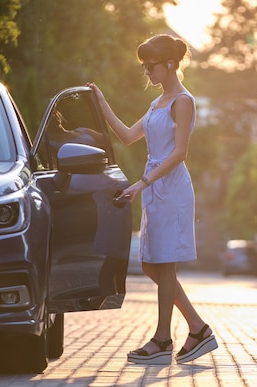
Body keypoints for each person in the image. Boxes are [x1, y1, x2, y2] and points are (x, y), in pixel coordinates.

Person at [87, 34, 218, 365]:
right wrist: (101, 103)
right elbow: (129, 137)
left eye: (151, 66)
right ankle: (198, 328)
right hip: (154, 190)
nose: (147, 72)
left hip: (171, 189)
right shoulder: (156, 103)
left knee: (163, 263)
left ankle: (162, 340)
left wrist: (142, 183)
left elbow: (180, 152)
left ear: (170, 64)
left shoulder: (182, 101)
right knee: (150, 263)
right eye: (144, 66)